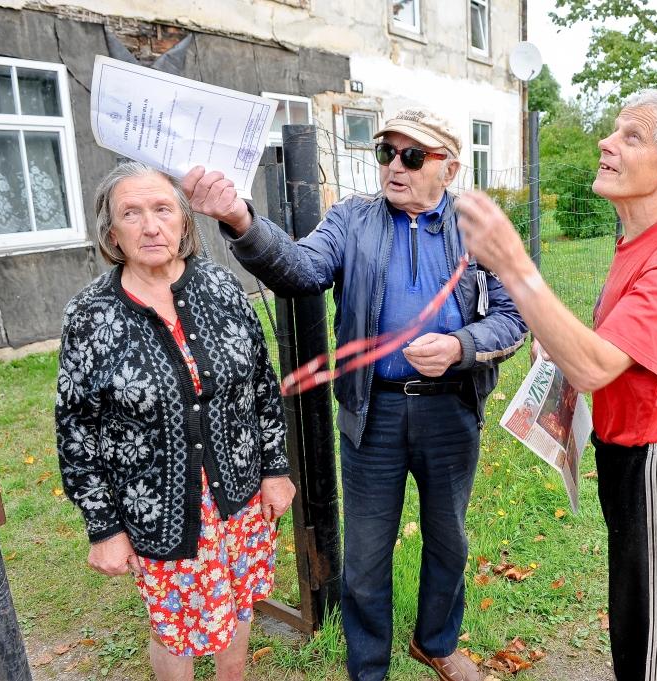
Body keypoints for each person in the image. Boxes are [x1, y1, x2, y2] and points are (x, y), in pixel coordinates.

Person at [182, 108, 526, 681]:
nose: (395, 166)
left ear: (449, 167)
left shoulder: (478, 227)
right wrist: (240, 218)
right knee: (365, 558)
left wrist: (461, 346)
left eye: (412, 156)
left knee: (450, 540)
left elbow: (514, 318)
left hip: (450, 412)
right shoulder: (352, 220)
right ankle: (367, 669)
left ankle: (437, 642)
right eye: (385, 152)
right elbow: (297, 268)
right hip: (374, 412)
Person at [456, 88, 657, 681]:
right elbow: (610, 350)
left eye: (632, 137)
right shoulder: (642, 235)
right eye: (613, 131)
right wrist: (557, 341)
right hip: (633, 455)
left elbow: (595, 367)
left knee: (653, 644)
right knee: (636, 626)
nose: (607, 143)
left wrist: (513, 264)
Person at [55, 162, 296, 681]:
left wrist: (276, 470)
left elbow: (260, 386)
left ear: (184, 222)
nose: (150, 226)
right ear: (111, 233)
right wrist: (104, 528)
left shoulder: (222, 288)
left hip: (239, 493)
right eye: (131, 214)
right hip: (158, 507)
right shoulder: (90, 316)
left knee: (238, 603)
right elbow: (77, 432)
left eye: (163, 209)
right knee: (174, 625)